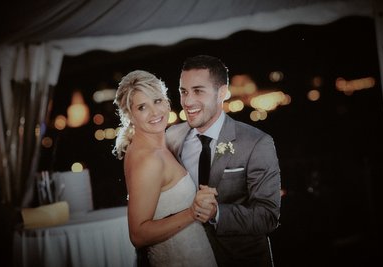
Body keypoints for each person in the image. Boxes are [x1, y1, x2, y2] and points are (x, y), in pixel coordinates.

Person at [166, 55, 281, 267]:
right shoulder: (172, 138)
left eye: (198, 91)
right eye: (184, 91)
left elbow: (267, 216)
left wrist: (217, 213)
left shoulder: (257, 143)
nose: (188, 101)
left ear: (222, 93)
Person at [112, 70, 218, 267]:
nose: (155, 112)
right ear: (129, 115)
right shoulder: (149, 160)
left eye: (158, 101)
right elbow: (138, 235)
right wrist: (192, 212)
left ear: (168, 101)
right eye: (142, 107)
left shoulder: (158, 145)